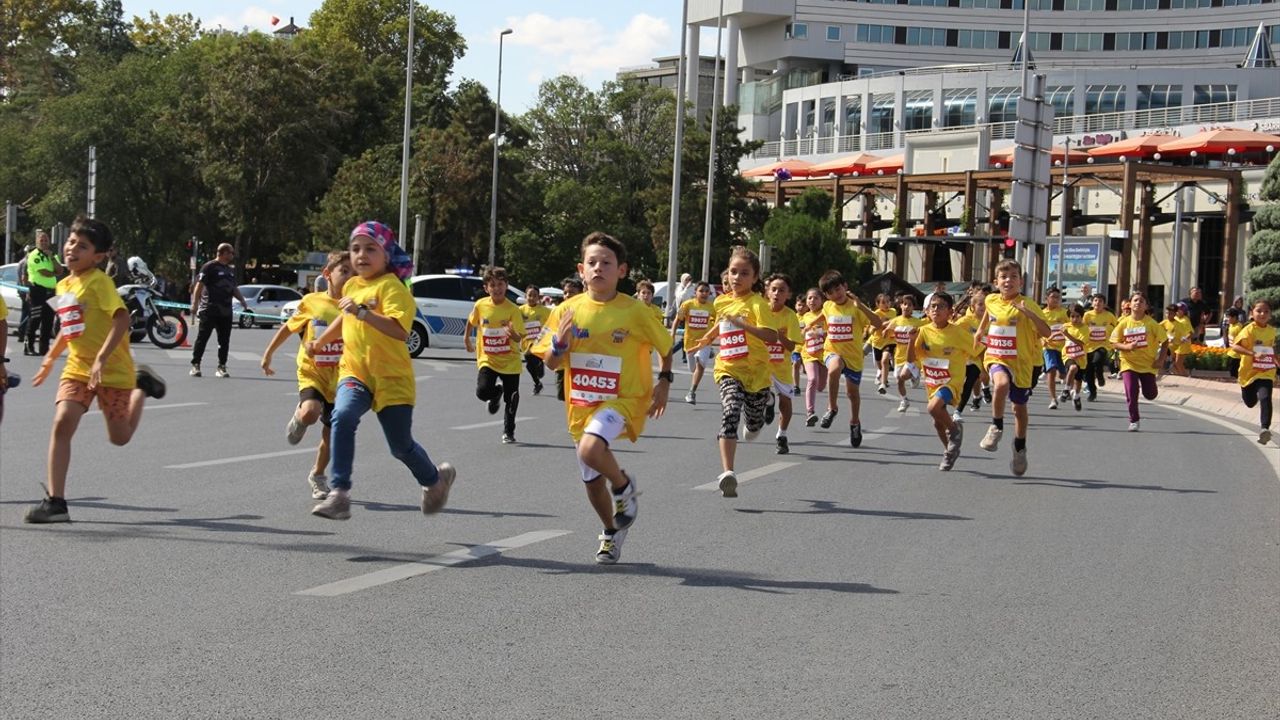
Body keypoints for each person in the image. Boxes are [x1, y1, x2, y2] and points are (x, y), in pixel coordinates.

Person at [534, 231, 673, 564]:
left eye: (606, 263)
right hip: (581, 405)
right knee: (592, 480)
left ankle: (624, 487)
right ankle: (612, 530)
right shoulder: (566, 311)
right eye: (592, 263)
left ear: (621, 271)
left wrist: (664, 382)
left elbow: (666, 348)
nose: (599, 268)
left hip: (624, 399)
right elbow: (551, 363)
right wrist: (559, 345)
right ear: (581, 270)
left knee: (591, 448)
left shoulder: (635, 311)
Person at [306, 221, 455, 520]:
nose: (361, 255)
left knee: (400, 447)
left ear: (386, 255)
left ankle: (434, 481)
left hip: (392, 377)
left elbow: (400, 331)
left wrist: (363, 312)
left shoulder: (393, 288)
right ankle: (340, 494)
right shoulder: (351, 285)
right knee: (342, 416)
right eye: (356, 248)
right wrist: (321, 341)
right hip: (356, 373)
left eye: (370, 248)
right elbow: (344, 320)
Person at [25, 217, 167, 524]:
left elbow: (121, 320)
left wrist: (102, 359)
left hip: (112, 371)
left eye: (83, 246)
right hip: (77, 369)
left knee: (120, 437)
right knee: (62, 422)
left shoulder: (100, 282)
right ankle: (56, 502)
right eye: (71, 242)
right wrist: (50, 359)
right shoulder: (63, 283)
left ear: (99, 257)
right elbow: (70, 327)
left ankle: (142, 387)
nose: (72, 248)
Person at [685, 246, 778, 498]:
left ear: (755, 277)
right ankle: (728, 472)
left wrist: (744, 325)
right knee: (730, 410)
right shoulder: (722, 300)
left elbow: (771, 336)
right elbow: (720, 324)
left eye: (744, 273)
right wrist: (706, 339)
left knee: (754, 425)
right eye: (733, 272)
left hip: (756, 374)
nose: (737, 278)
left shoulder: (758, 304)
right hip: (728, 368)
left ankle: (764, 404)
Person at [260, 251, 355, 499]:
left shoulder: (357, 306)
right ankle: (301, 417)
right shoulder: (312, 301)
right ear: (327, 275)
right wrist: (268, 353)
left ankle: (318, 475)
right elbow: (289, 328)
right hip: (312, 372)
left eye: (353, 273)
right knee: (311, 411)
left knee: (332, 433)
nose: (349, 277)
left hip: (342, 377)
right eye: (343, 271)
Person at [974, 259, 1051, 476]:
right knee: (1001, 384)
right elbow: (989, 315)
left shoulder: (1028, 304)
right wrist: (981, 331)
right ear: (996, 281)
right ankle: (996, 427)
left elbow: (1046, 333)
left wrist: (1029, 314)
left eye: (1014, 277)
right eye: (1004, 277)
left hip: (1023, 363)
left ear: (1021, 281)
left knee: (1019, 408)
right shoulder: (991, 299)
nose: (1009, 281)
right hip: (997, 356)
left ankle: (1019, 447)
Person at [813, 269, 884, 446]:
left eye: (838, 289)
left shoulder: (856, 308)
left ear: (845, 287)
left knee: (852, 394)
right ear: (826, 295)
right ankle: (832, 408)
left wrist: (861, 307)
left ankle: (854, 422)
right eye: (830, 293)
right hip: (832, 351)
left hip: (853, 357)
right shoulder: (828, 306)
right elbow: (823, 316)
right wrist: (810, 326)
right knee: (834, 367)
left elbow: (878, 324)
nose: (835, 295)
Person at [907, 292, 971, 470]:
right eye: (933, 306)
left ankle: (955, 430)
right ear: (927, 311)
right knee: (937, 422)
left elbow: (978, 349)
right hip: (932, 382)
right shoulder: (923, 331)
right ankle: (950, 452)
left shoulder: (958, 333)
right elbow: (911, 358)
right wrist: (911, 342)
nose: (936, 310)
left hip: (951, 381)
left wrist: (985, 370)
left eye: (941, 306)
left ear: (950, 312)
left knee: (933, 408)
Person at [465, 266, 525, 444]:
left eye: (500, 284)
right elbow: (471, 322)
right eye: (493, 285)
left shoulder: (513, 309)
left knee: (512, 398)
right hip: (488, 359)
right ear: (486, 288)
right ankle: (495, 392)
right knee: (482, 392)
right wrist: (466, 339)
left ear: (506, 285)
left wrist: (512, 334)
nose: (497, 288)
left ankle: (509, 431)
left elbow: (519, 336)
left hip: (510, 361)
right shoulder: (481, 305)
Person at [189, 243, 251, 378]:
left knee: (224, 340)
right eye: (231, 253)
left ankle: (221, 366)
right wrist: (194, 303)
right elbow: (199, 285)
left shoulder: (229, 270)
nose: (233, 255)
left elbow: (233, 288)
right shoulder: (209, 267)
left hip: (226, 310)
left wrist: (242, 300)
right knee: (202, 338)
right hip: (210, 309)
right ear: (223, 253)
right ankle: (196, 365)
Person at [1110, 292, 1167, 432]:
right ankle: (1134, 420)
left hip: (1148, 365)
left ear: (1146, 306)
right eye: (1135, 300)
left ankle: (1148, 387)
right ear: (1130, 304)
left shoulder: (1152, 324)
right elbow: (1114, 343)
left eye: (1141, 301)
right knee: (1131, 390)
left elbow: (1165, 342)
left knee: (1150, 394)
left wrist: (1160, 360)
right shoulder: (1123, 323)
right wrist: (1127, 347)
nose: (1138, 303)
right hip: (1128, 363)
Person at [762, 273, 799, 454]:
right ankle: (768, 401)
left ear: (788, 295)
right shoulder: (760, 310)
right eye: (774, 289)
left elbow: (791, 346)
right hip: (760, 363)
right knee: (759, 393)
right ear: (768, 292)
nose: (777, 293)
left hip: (781, 366)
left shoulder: (790, 316)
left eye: (781, 290)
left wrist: (779, 335)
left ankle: (781, 435)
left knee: (785, 402)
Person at [1229, 300, 1275, 446]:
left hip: (1266, 371)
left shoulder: (1272, 331)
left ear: (1270, 315)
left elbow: (1273, 351)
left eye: (1266, 311)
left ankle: (1264, 429)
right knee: (1250, 402)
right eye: (1259, 311)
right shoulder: (1248, 330)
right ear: (1251, 313)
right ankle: (1251, 394)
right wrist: (1252, 353)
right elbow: (1235, 347)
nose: (1262, 314)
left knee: (1265, 397)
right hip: (1248, 373)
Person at [672, 281, 716, 404]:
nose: (704, 293)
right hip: (690, 344)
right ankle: (707, 354)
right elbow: (677, 320)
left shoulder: (712, 307)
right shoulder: (687, 305)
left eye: (707, 291)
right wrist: (672, 334)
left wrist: (712, 337)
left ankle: (691, 392)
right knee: (693, 369)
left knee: (700, 366)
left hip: (704, 343)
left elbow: (718, 323)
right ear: (695, 292)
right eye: (701, 291)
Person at [882, 294, 926, 412]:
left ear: (913, 308)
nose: (907, 307)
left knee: (903, 376)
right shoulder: (896, 320)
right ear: (900, 305)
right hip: (899, 356)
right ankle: (904, 400)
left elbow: (925, 336)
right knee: (899, 380)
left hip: (913, 356)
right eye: (905, 304)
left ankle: (913, 375)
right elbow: (889, 329)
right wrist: (885, 331)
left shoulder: (918, 323)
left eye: (910, 305)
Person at [24, 231, 61, 356]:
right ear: (37, 242)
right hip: (38, 290)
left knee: (48, 320)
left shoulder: (52, 255)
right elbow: (45, 272)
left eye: (46, 240)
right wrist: (54, 272)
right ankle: (28, 346)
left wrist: (51, 258)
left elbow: (60, 270)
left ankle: (44, 348)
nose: (44, 243)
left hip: (51, 290)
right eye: (42, 240)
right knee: (35, 318)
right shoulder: (34, 255)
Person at [798, 287, 827, 427]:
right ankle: (810, 412)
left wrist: (821, 332)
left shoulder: (826, 314)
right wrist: (804, 332)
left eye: (816, 298)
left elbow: (830, 331)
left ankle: (815, 391)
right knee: (812, 379)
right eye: (809, 298)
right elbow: (800, 334)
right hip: (808, 354)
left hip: (824, 354)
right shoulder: (803, 317)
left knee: (821, 386)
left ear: (822, 300)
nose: (812, 300)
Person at [1081, 293, 1118, 401]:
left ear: (1104, 304)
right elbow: (1081, 328)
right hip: (1088, 346)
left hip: (1103, 345)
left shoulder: (1109, 316)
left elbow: (1117, 328)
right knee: (1088, 371)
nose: (1098, 303)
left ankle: (1100, 376)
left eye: (1100, 301)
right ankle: (1092, 392)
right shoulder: (1087, 315)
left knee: (1097, 361)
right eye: (1096, 300)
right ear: (1092, 303)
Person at [555, 277, 584, 401]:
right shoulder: (558, 311)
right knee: (562, 396)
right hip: (562, 364)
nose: (567, 295)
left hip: (582, 363)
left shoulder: (587, 311)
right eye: (565, 292)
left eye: (571, 292)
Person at [1040, 287, 1069, 409]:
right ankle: (1053, 399)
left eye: (1058, 297)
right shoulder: (1042, 313)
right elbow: (1037, 329)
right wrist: (1042, 340)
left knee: (1062, 374)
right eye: (1053, 297)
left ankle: (1067, 387)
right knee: (1051, 371)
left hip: (1062, 348)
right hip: (1048, 347)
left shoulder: (1063, 312)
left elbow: (1071, 326)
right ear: (1046, 298)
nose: (1056, 300)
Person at [520, 286, 551, 395]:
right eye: (529, 295)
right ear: (525, 296)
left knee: (537, 366)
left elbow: (551, 324)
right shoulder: (520, 310)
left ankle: (540, 366)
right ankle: (537, 383)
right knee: (529, 365)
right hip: (526, 343)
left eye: (534, 296)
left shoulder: (544, 311)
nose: (532, 298)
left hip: (539, 343)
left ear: (539, 297)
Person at [1061, 304, 1090, 412]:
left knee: (1078, 382)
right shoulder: (1066, 326)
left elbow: (1080, 343)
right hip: (1068, 355)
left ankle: (1076, 396)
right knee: (1072, 368)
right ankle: (1066, 390)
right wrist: (1048, 338)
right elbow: (1057, 334)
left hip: (1081, 357)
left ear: (1081, 317)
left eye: (1078, 316)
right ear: (1069, 317)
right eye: (1072, 316)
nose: (1075, 319)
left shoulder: (1085, 328)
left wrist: (1067, 335)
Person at [869, 293, 898, 393]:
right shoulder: (876, 314)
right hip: (877, 342)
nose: (886, 304)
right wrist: (879, 324)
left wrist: (887, 323)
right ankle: (881, 375)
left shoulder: (893, 311)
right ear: (878, 304)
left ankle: (883, 384)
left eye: (888, 301)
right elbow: (871, 329)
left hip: (889, 341)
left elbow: (894, 322)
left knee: (885, 360)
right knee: (880, 364)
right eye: (883, 302)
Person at [1223, 307, 1246, 379]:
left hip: (1236, 355)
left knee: (1234, 373)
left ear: (1234, 317)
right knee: (1230, 371)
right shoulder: (1231, 325)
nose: (1227, 319)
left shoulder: (1238, 327)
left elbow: (1242, 340)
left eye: (1228, 317)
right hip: (1231, 352)